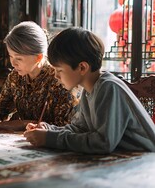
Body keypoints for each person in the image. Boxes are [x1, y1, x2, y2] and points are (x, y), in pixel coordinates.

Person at [24, 28, 155, 153]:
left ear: (82, 67)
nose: (56, 76)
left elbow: (103, 143)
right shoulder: (89, 89)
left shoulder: (108, 87)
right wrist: (48, 130)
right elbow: (79, 128)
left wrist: (49, 139)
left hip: (145, 162)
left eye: (59, 70)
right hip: (125, 159)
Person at [0, 21, 79, 131]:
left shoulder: (61, 80)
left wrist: (23, 124)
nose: (13, 63)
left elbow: (64, 128)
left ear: (38, 57)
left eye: (19, 58)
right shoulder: (15, 77)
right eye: (11, 56)